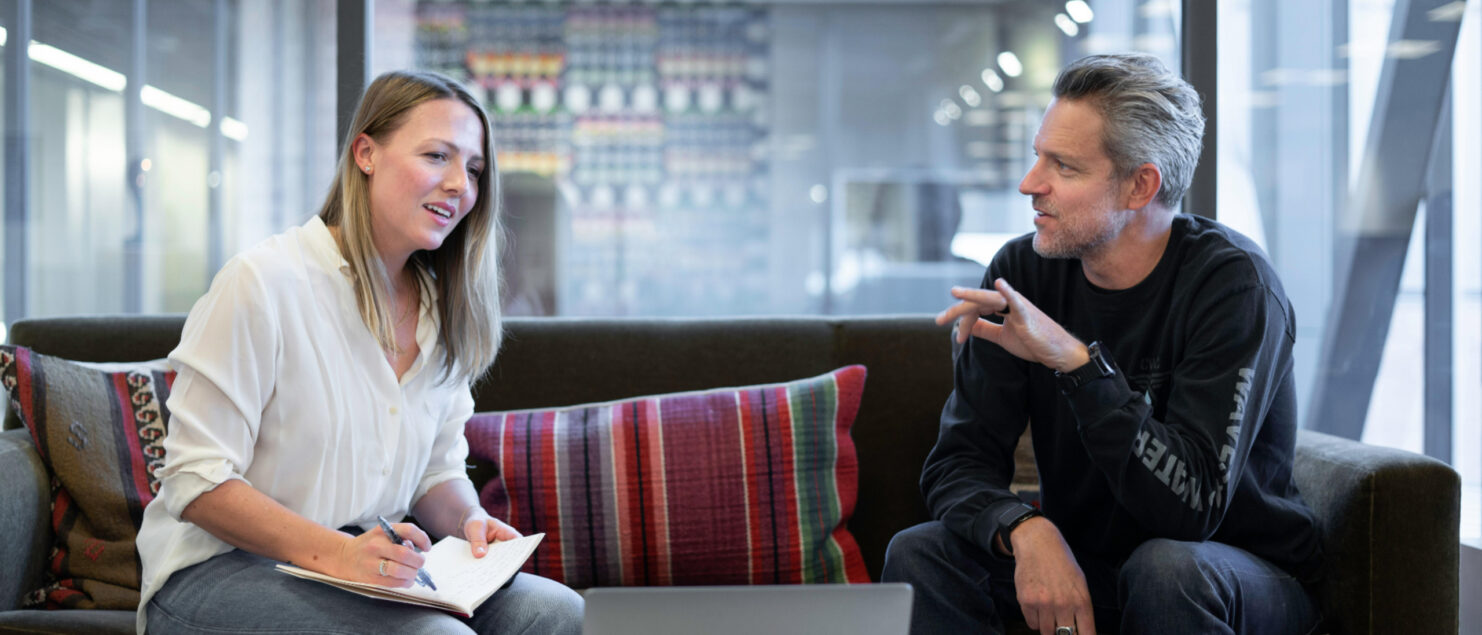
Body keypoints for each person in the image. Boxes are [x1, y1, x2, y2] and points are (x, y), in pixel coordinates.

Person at [880, 53, 1323, 635]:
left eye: (1062, 166)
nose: (1029, 184)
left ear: (1140, 185)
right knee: (921, 555)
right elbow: (956, 464)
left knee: (1165, 569)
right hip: (1092, 564)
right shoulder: (1022, 271)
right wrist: (1026, 528)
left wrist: (1078, 365)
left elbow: (1191, 510)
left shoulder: (1233, 284)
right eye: (1038, 155)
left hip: (1237, 571)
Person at [136, 70, 583, 634]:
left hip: (362, 568)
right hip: (219, 571)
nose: (459, 185)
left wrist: (470, 519)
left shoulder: (438, 310)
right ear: (366, 153)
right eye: (437, 156)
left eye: (472, 169)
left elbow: (435, 474)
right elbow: (194, 479)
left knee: (552, 611)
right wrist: (341, 556)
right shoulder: (263, 282)